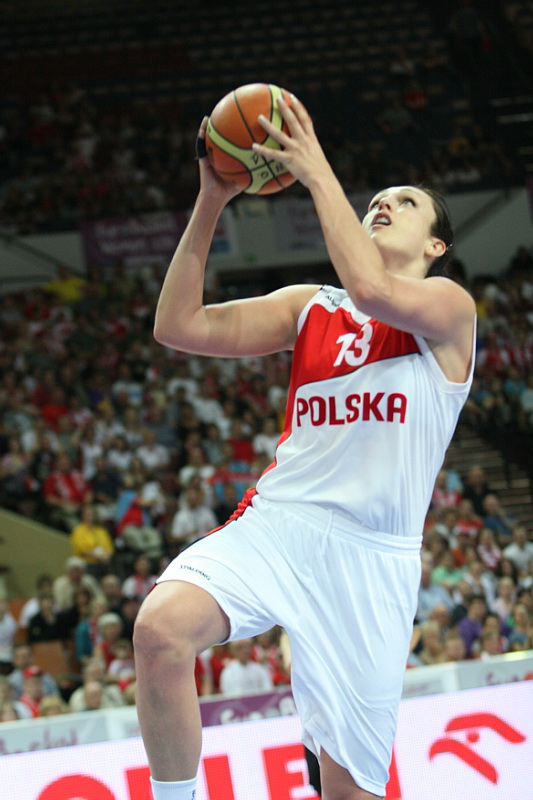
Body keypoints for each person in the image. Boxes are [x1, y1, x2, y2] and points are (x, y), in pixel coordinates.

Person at [133, 96, 476, 800]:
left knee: (348, 792)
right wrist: (211, 200)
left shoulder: (449, 309)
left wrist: (316, 169)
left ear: (436, 248)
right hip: (280, 524)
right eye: (376, 200)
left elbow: (372, 288)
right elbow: (177, 324)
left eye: (404, 202)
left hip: (370, 558)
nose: (383, 205)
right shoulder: (310, 306)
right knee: (160, 632)